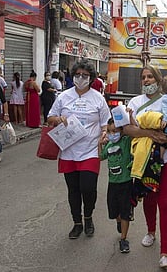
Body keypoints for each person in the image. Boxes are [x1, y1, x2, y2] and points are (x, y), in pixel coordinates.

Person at [123, 65, 167, 268]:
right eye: (143, 77)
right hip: (146, 163)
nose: (147, 80)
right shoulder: (135, 102)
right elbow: (127, 129)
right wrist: (150, 134)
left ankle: (165, 252)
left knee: (166, 203)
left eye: (151, 76)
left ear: (158, 80)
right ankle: (151, 231)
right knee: (149, 200)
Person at [47, 59, 110, 240]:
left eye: (85, 75)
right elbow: (50, 117)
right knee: (73, 189)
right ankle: (77, 222)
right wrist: (59, 120)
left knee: (88, 188)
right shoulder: (64, 97)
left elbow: (106, 123)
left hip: (90, 151)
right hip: (68, 151)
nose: (80, 78)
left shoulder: (98, 98)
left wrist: (104, 134)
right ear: (72, 75)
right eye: (77, 74)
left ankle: (88, 216)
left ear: (91, 78)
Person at [99, 118, 133, 253]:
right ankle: (119, 221)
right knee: (114, 212)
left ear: (121, 131)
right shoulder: (108, 145)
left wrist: (128, 119)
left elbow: (131, 133)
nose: (112, 134)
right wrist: (100, 144)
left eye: (115, 131)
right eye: (109, 131)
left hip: (125, 183)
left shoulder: (125, 142)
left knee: (125, 212)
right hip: (112, 183)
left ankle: (124, 239)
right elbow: (101, 157)